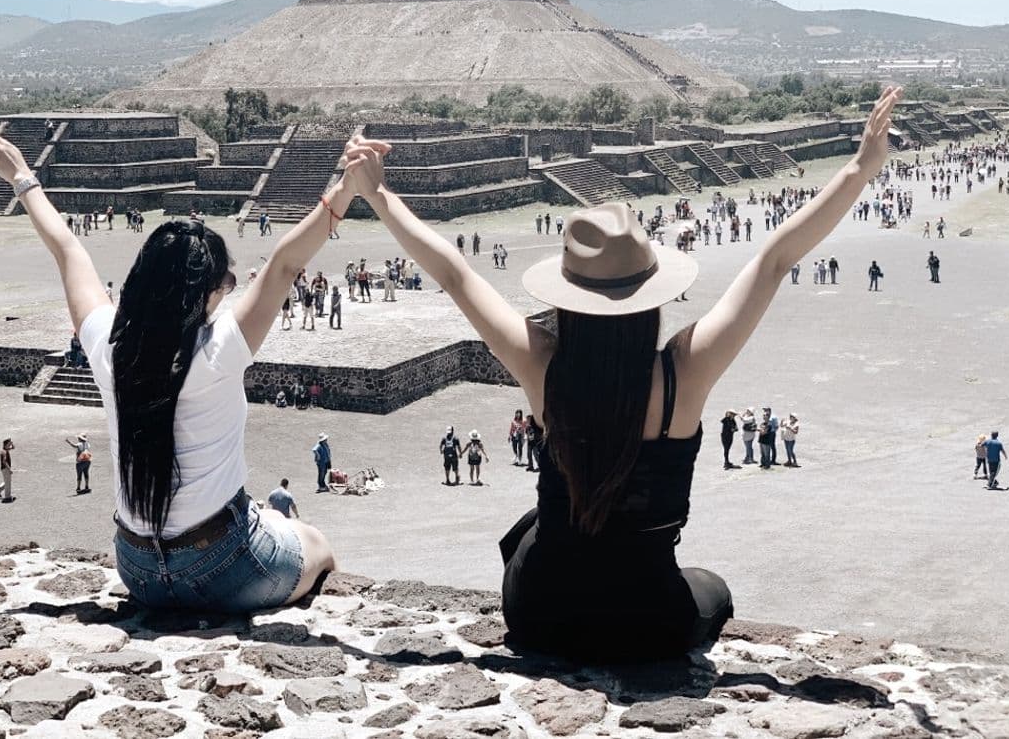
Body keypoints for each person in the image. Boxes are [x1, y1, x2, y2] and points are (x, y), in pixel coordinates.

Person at [339, 85, 903, 661]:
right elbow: (775, 259)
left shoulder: (541, 364)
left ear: (566, 298)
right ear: (651, 295)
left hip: (542, 611)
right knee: (712, 591)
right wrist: (860, 167)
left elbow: (456, 275)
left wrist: (377, 191)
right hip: (647, 619)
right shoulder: (686, 369)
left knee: (536, 524)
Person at [0, 121, 339, 612]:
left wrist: (22, 176)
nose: (228, 290)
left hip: (137, 569)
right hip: (223, 564)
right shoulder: (220, 348)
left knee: (273, 519)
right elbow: (287, 264)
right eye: (225, 281)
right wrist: (346, 191)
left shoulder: (109, 346)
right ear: (202, 292)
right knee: (316, 544)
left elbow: (67, 250)